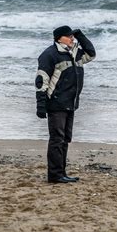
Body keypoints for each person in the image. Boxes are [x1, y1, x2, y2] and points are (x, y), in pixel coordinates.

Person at [35, 25, 96, 183]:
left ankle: (61, 173)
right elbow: (42, 81)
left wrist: (80, 35)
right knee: (57, 139)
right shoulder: (49, 55)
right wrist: (41, 106)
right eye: (69, 36)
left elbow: (91, 53)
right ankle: (55, 175)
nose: (72, 39)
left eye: (72, 36)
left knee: (65, 139)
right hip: (56, 104)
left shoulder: (75, 53)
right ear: (59, 38)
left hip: (70, 103)